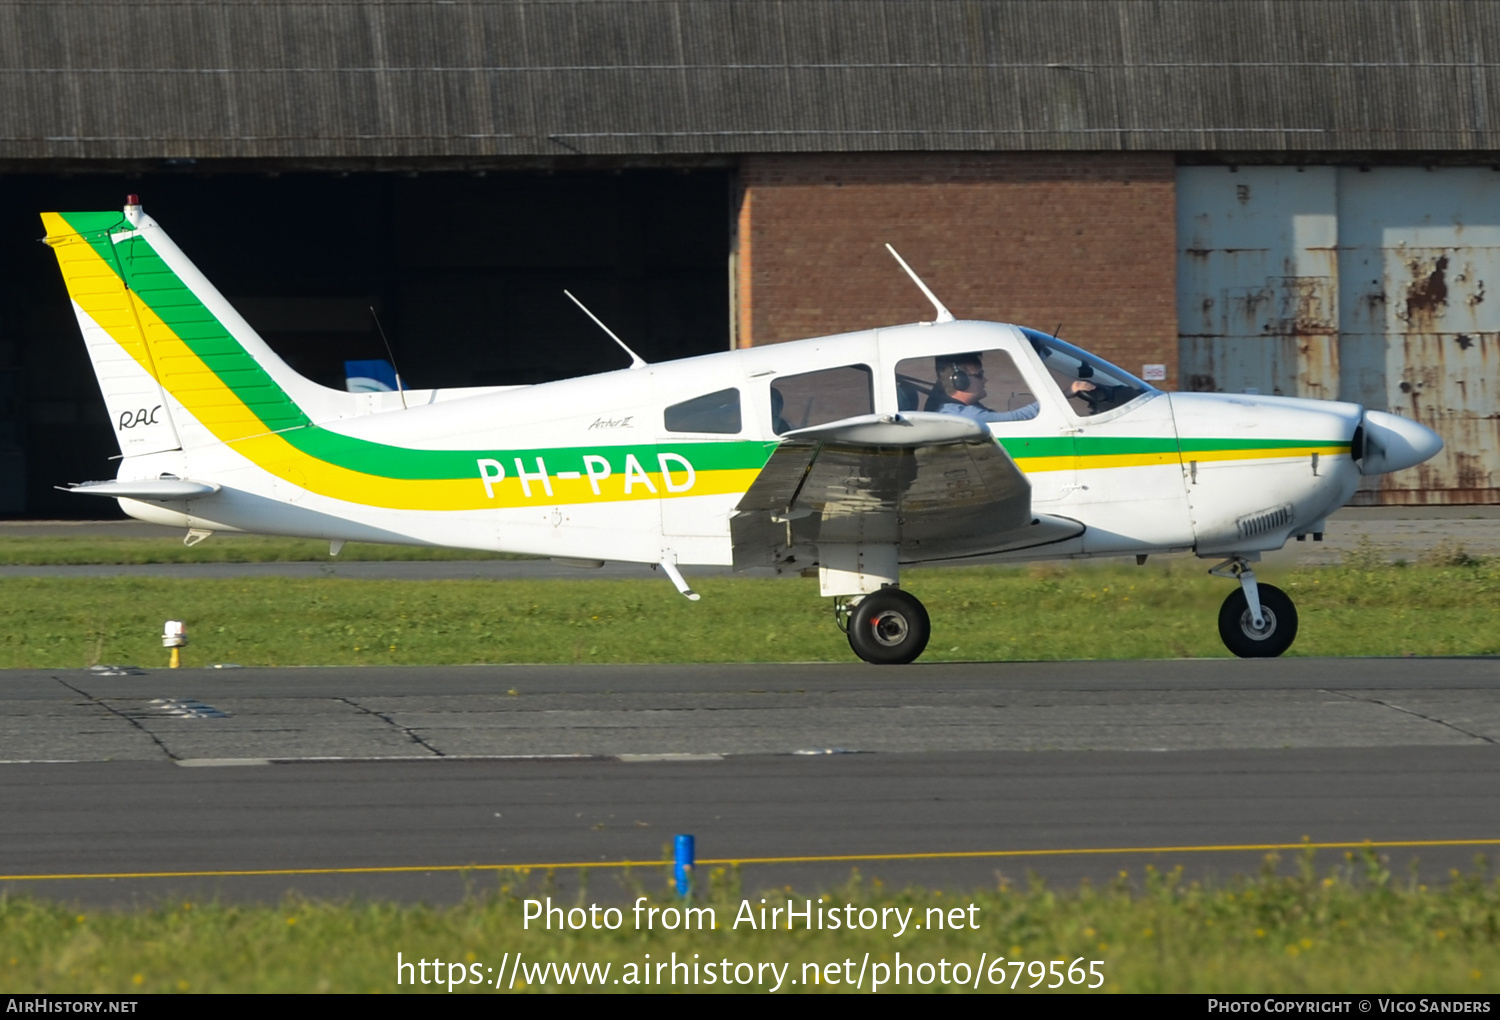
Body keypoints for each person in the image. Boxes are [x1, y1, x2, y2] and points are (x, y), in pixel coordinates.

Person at [931, 353, 1093, 422]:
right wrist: (1065, 393)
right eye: (979, 375)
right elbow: (1016, 418)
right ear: (960, 381)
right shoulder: (967, 416)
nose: (985, 380)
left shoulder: (954, 408)